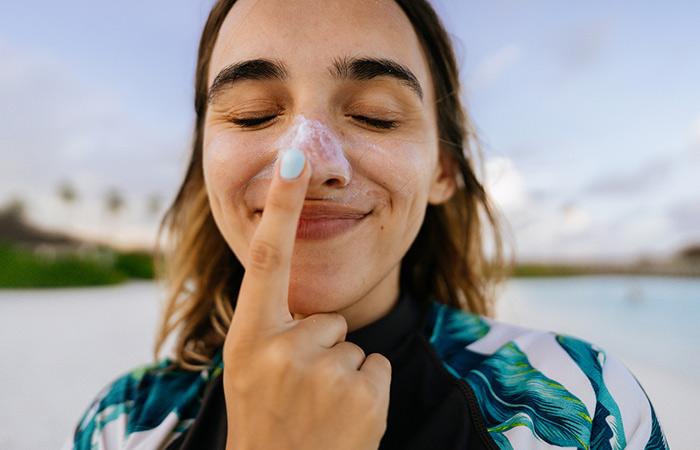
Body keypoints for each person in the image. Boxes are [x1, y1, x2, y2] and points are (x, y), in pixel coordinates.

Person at [63, 0, 669, 449]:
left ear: (444, 170)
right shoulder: (124, 423)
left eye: (375, 116)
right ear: (204, 164)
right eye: (251, 116)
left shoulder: (586, 403)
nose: (312, 161)